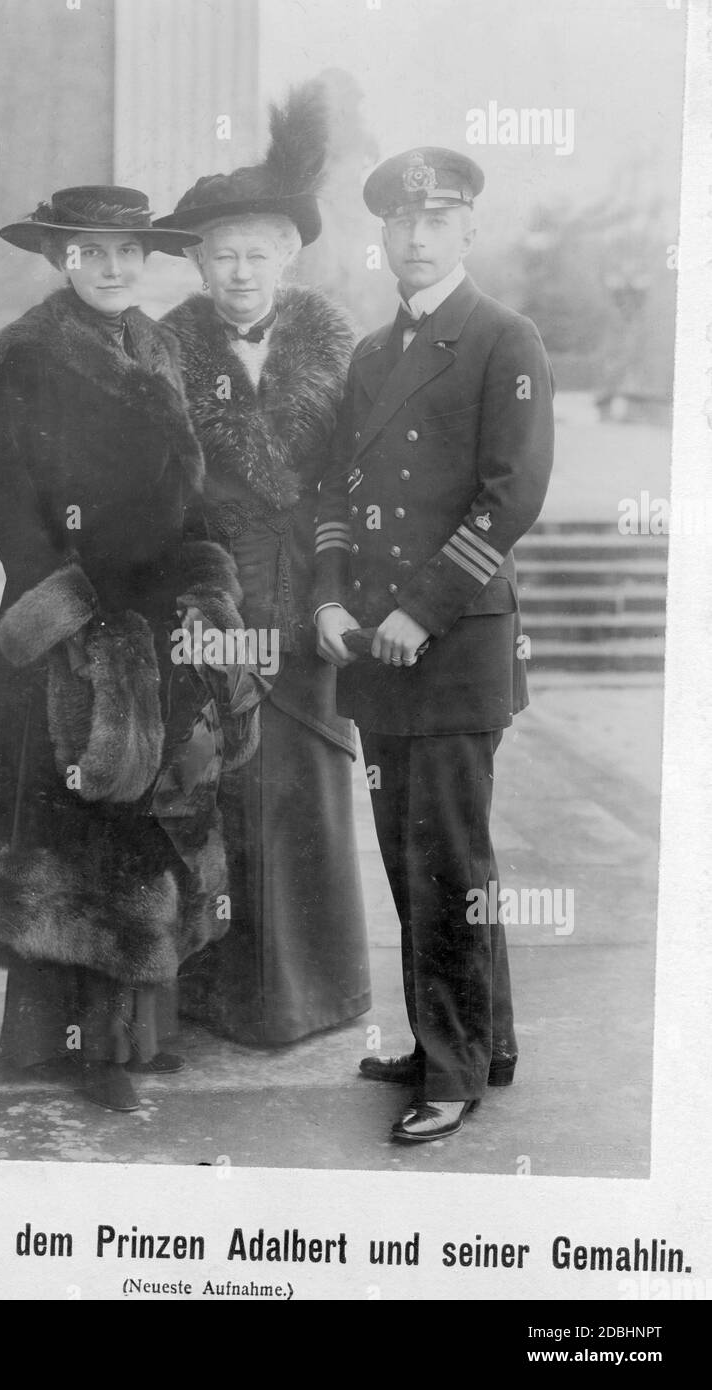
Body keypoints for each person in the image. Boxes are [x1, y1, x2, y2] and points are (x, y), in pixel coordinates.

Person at [0, 185, 265, 1113]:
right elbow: (5, 493)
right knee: (67, 823)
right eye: (92, 252)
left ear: (145, 261)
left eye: (126, 253)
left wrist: (208, 579)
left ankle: (133, 1032)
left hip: (157, 621)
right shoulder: (32, 356)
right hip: (71, 625)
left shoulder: (160, 347)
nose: (110, 268)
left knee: (145, 814)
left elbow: (190, 487)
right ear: (61, 259)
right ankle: (61, 1040)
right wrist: (70, 618)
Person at [314, 148, 555, 1142]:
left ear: (466, 232)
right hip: (372, 643)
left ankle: (448, 1070)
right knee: (407, 849)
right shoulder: (370, 356)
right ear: (382, 237)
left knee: (445, 858)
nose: (414, 240)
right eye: (399, 225)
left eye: (435, 222)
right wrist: (329, 598)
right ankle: (468, 1039)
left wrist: (420, 608)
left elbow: (512, 497)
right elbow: (333, 494)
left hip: (451, 642)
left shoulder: (504, 339)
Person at [155, 84, 371, 1044]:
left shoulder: (338, 345)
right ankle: (219, 993)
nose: (239, 271)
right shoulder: (169, 348)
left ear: (288, 253)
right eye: (222, 254)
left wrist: (336, 592)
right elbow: (155, 485)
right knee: (219, 787)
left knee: (307, 790)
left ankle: (316, 995)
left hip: (311, 594)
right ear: (200, 262)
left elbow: (355, 486)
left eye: (257, 252)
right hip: (214, 596)